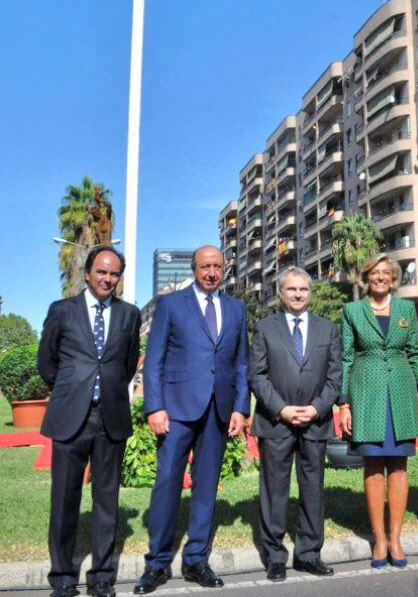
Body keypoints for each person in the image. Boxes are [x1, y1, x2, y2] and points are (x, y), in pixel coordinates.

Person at [134, 245, 249, 594]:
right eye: (205, 266)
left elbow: (241, 362)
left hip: (218, 410)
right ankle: (156, 563)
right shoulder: (171, 304)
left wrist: (241, 408)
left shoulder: (236, 308)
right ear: (194, 268)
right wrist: (154, 407)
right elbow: (154, 360)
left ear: (224, 267)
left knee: (205, 488)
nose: (211, 272)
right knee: (167, 482)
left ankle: (196, 559)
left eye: (217, 266)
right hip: (176, 411)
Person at [37, 246, 140, 597]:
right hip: (70, 417)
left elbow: (127, 365)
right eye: (102, 272)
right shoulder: (62, 311)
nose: (107, 279)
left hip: (110, 417)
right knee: (64, 501)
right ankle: (63, 578)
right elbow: (46, 362)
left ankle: (102, 578)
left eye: (114, 274)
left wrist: (105, 391)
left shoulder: (130, 315)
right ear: (87, 273)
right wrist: (71, 390)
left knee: (106, 501)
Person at [249, 267, 342, 582]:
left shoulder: (327, 329)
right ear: (281, 293)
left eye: (303, 289)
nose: (298, 294)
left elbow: (334, 377)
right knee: (274, 491)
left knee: (313, 490)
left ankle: (309, 554)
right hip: (276, 422)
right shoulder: (264, 328)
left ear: (310, 293)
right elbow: (257, 376)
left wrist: (316, 409)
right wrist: (282, 409)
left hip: (315, 423)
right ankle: (275, 556)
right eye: (292, 290)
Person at [339, 253, 418, 568]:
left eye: (386, 272)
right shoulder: (351, 311)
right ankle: (379, 539)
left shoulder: (406, 308)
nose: (380, 277)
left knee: (400, 467)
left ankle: (396, 538)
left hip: (402, 394)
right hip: (366, 395)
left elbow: (414, 352)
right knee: (374, 467)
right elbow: (347, 357)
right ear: (367, 277)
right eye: (374, 272)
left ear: (394, 277)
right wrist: (345, 403)